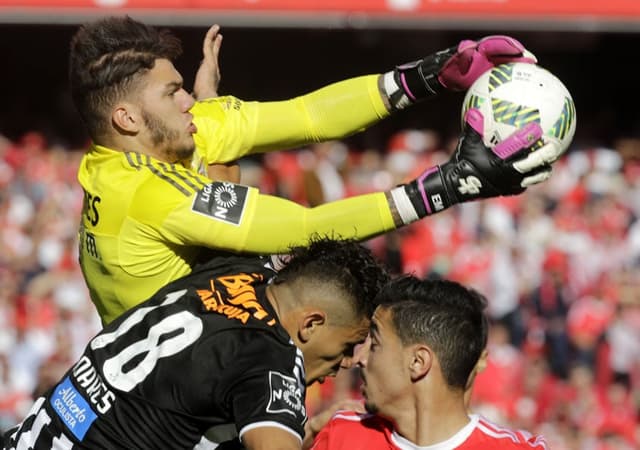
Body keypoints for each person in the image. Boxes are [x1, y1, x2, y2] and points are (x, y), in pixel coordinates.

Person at [70, 16, 564, 324]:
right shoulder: (143, 193)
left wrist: (432, 74)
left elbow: (311, 116)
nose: (190, 102)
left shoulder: (184, 128)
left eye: (183, 87)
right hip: (172, 410)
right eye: (171, 93)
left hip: (205, 342)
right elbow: (307, 227)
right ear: (127, 119)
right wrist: (445, 187)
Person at [3, 237, 389, 450]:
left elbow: (226, 184)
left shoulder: (238, 268)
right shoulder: (274, 355)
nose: (343, 365)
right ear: (311, 323)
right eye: (346, 347)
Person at [311, 277, 549, 449]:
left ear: (418, 362)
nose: (359, 359)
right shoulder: (341, 437)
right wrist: (309, 431)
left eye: (375, 345)